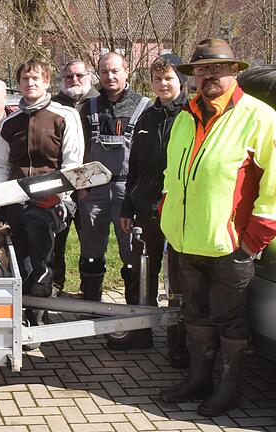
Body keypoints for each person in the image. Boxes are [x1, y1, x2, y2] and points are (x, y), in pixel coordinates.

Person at [159, 39, 276, 417]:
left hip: (230, 246)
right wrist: (166, 210)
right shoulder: (184, 116)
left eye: (218, 68)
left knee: (230, 321)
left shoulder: (259, 116)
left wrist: (253, 239)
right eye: (202, 69)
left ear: (235, 71)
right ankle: (198, 379)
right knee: (194, 314)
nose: (209, 75)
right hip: (185, 240)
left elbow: (274, 184)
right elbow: (172, 175)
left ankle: (229, 389)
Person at [0, 58, 83, 341]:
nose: (30, 83)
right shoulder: (10, 122)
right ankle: (23, 313)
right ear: (18, 84)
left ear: (46, 82)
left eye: (36, 79)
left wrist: (61, 196)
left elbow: (72, 163)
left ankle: (38, 312)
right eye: (25, 79)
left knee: (39, 245)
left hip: (51, 199)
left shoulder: (64, 115)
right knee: (19, 256)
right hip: (16, 199)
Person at [109, 54, 189, 366]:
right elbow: (136, 168)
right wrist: (128, 207)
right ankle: (140, 332)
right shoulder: (147, 117)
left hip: (178, 212)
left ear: (180, 81)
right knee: (140, 274)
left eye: (168, 78)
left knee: (178, 278)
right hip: (145, 210)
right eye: (157, 79)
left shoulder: (191, 115)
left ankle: (178, 343)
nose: (162, 84)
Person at [78, 52, 152, 301]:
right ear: (98, 74)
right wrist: (80, 189)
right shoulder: (88, 108)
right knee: (90, 251)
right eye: (104, 71)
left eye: (115, 71)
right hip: (93, 189)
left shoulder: (144, 107)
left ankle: (133, 307)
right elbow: (80, 151)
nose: (109, 76)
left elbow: (148, 156)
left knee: (131, 250)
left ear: (126, 71)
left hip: (126, 191)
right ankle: (91, 306)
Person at [51, 60, 99, 291]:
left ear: (88, 76)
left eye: (79, 75)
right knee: (56, 238)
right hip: (60, 183)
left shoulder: (98, 103)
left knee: (90, 240)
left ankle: (89, 288)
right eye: (69, 76)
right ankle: (55, 283)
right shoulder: (52, 105)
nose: (74, 80)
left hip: (92, 183)